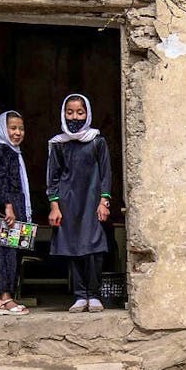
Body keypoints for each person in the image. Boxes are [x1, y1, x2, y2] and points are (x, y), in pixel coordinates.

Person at [47, 93, 112, 313]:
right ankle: (79, 295)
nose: (75, 116)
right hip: (67, 203)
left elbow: (105, 174)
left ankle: (93, 295)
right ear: (64, 114)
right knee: (72, 248)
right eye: (70, 112)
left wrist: (104, 201)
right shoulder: (58, 144)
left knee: (93, 247)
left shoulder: (97, 141)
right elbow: (53, 176)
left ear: (87, 114)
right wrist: (54, 206)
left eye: (80, 112)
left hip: (92, 201)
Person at [0, 110, 32, 315]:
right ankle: (4, 299)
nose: (18, 132)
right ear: (2, 129)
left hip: (16, 215)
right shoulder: (0, 152)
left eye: (21, 128)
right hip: (7, 216)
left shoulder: (15, 153)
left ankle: (7, 297)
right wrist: (8, 207)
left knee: (14, 257)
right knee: (6, 256)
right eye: (13, 128)